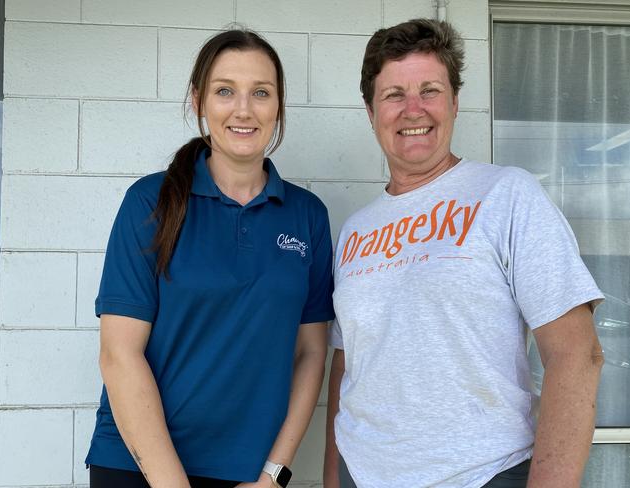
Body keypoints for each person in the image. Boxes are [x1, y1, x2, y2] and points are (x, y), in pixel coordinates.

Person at [324, 18, 604, 488]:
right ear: (371, 111)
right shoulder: (355, 230)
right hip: (363, 473)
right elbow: (346, 366)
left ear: (455, 102)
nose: (413, 110)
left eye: (429, 90)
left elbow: (577, 354)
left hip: (482, 474)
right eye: (394, 95)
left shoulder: (506, 195)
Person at [85, 29, 334, 488]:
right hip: (140, 468)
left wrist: (273, 474)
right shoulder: (150, 202)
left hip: (247, 475)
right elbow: (119, 354)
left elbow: (312, 353)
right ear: (199, 100)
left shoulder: (308, 216)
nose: (243, 109)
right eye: (225, 91)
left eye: (261, 92)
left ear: (279, 106)